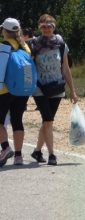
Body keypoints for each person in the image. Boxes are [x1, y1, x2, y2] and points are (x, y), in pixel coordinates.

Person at [29, 14, 78, 166]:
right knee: (49, 121)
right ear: (39, 28)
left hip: (57, 86)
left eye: (49, 26)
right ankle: (52, 154)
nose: (46, 29)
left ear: (53, 27)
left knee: (46, 121)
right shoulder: (34, 44)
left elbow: (65, 67)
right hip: (40, 87)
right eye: (43, 26)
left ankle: (37, 150)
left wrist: (72, 90)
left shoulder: (61, 43)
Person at [0, 18, 31, 167]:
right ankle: (19, 156)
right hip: (22, 90)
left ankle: (5, 148)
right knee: (17, 120)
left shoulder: (1, 46)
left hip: (5, 90)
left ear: (5, 31)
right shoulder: (25, 47)